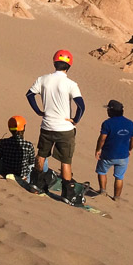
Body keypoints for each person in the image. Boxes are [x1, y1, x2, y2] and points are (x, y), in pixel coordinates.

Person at [26, 49, 86, 204]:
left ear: (54, 62)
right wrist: (75, 120)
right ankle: (67, 193)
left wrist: (39, 111)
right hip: (64, 129)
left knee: (42, 154)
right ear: (69, 65)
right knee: (66, 161)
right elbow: (81, 105)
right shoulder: (71, 84)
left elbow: (30, 95)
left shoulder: (43, 79)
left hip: (47, 125)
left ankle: (36, 184)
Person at [95, 99, 133, 201]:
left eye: (108, 109)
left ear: (111, 111)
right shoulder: (130, 123)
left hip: (108, 154)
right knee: (119, 177)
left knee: (102, 171)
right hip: (123, 155)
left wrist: (97, 149)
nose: (107, 111)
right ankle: (117, 197)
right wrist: (129, 149)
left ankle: (103, 191)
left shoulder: (107, 123)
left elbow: (102, 138)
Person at [0, 115, 36, 182]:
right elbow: (31, 162)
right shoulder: (28, 145)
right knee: (42, 161)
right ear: (24, 128)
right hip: (22, 177)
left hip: (6, 173)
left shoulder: (3, 143)